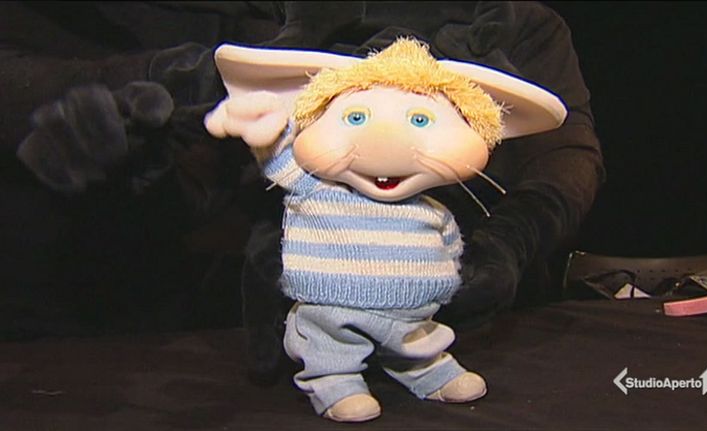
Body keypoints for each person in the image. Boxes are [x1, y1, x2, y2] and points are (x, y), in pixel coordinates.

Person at [0, 2, 604, 381]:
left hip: (466, 327)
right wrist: (154, 150)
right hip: (272, 319)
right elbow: (228, 159)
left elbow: (567, 156)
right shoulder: (283, 16)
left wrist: (510, 244)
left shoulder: (519, 22)